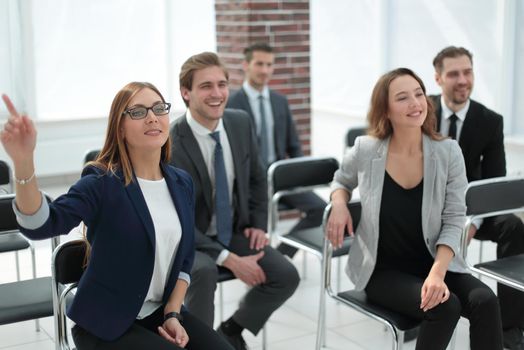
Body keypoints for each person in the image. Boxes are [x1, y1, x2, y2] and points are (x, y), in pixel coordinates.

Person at [0, 83, 233, 350]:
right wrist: (23, 160)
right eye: (137, 112)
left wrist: (172, 314)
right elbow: (41, 225)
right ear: (119, 128)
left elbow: (185, 257)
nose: (152, 117)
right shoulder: (100, 182)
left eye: (159, 108)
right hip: (105, 323)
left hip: (159, 313)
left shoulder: (181, 182)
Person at [326, 68, 503, 350]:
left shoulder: (448, 152)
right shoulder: (366, 148)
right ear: (385, 109)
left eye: (419, 94)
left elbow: (455, 216)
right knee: (444, 308)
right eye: (402, 97)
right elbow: (341, 180)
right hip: (382, 270)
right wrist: (338, 202)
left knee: (485, 301)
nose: (415, 103)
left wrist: (437, 272)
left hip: (433, 261)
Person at [170, 52, 300, 350]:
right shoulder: (172, 143)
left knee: (286, 275)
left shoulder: (240, 122)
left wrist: (257, 223)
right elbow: (180, 220)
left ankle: (230, 329)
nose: (217, 94)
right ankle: (201, 345)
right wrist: (228, 259)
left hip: (236, 229)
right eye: (206, 86)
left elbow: (257, 178)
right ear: (186, 92)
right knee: (203, 272)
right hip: (192, 238)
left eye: (222, 84)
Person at [431, 46, 524, 350]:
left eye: (467, 72)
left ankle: (509, 326)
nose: (462, 80)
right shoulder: (422, 112)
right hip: (430, 209)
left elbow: (493, 181)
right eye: (453, 73)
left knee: (513, 225)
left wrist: (470, 224)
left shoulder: (489, 120)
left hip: (472, 212)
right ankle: (420, 303)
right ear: (438, 78)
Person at [226, 43, 326, 258]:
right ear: (246, 65)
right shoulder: (232, 103)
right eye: (259, 64)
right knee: (250, 222)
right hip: (249, 182)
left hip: (280, 178)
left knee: (321, 210)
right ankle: (256, 262)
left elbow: (294, 146)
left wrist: (301, 176)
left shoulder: (280, 101)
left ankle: (281, 257)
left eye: (269, 65)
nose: (265, 70)